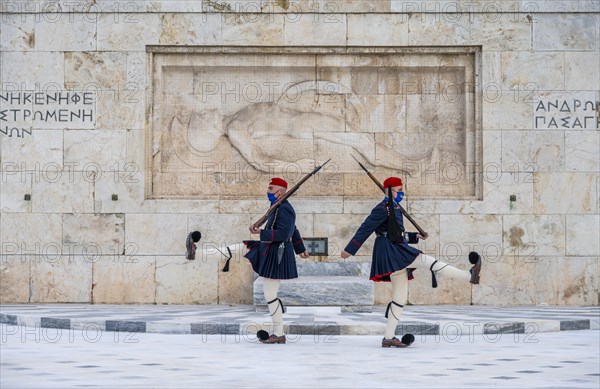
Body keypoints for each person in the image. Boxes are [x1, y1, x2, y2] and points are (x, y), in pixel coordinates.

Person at [341, 176, 482, 348]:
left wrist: (416, 236)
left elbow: (397, 234)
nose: (402, 193)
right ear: (389, 191)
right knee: (429, 262)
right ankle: (468, 276)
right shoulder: (382, 209)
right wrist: (349, 250)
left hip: (395, 248)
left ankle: (388, 337)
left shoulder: (394, 207)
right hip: (391, 251)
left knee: (399, 297)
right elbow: (365, 228)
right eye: (399, 191)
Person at [245, 177, 310, 344]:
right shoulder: (278, 207)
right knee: (270, 294)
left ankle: (279, 333)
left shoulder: (285, 209)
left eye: (271, 189)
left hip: (278, 254)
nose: (268, 192)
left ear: (280, 192)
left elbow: (284, 233)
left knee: (270, 295)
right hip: (272, 251)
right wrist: (300, 248)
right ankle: (278, 332)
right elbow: (293, 229)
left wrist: (260, 233)